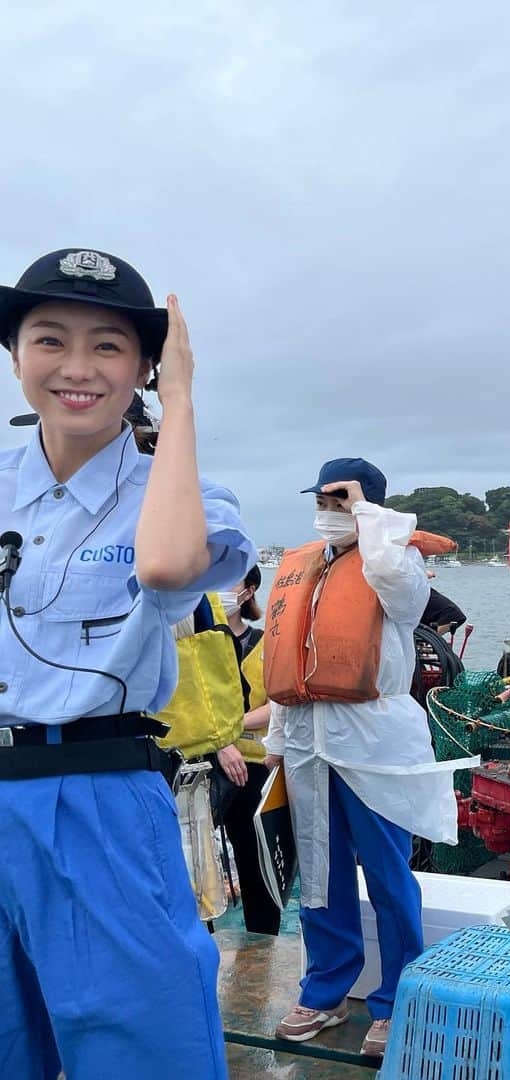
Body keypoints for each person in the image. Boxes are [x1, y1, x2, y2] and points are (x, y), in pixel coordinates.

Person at [0, 248, 255, 1077]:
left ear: (144, 364)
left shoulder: (182, 490)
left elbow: (169, 568)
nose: (77, 368)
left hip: (97, 795)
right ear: (14, 354)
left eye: (108, 346)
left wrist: (178, 400)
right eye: (49, 339)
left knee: (143, 1048)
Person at [263, 457, 472, 1058]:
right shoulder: (303, 566)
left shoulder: (396, 558)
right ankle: (325, 991)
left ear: (369, 503)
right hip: (308, 745)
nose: (329, 510)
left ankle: (398, 997)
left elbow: (406, 603)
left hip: (374, 747)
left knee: (387, 872)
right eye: (323, 499)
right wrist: (278, 742)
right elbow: (289, 661)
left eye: (340, 499)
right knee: (320, 878)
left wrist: (369, 515)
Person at [215, 564, 282, 935]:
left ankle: (263, 941)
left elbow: (280, 703)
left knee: (256, 862)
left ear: (249, 590)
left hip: (256, 764)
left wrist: (230, 728)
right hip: (204, 763)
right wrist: (219, 740)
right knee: (200, 862)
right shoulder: (195, 639)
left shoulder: (265, 643)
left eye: (229, 581)